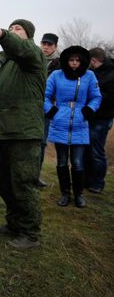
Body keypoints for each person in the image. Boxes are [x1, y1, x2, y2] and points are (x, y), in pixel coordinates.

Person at [0, 19, 46, 250]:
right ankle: (13, 224)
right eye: (11, 28)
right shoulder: (8, 62)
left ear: (28, 35)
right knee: (4, 182)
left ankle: (30, 234)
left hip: (24, 132)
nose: (12, 31)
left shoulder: (33, 55)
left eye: (17, 28)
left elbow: (23, 49)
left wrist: (2, 35)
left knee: (23, 183)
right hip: (5, 131)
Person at [45, 46, 101, 207]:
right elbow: (45, 96)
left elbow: (96, 97)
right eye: (71, 60)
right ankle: (65, 194)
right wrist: (52, 111)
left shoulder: (89, 76)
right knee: (62, 162)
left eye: (77, 60)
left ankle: (79, 195)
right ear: (66, 61)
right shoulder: (56, 75)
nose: (74, 63)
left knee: (77, 162)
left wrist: (88, 110)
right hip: (60, 122)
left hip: (80, 124)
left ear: (82, 61)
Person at [85, 47, 114, 194]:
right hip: (91, 117)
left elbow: (110, 98)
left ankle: (98, 183)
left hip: (102, 119)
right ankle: (88, 180)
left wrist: (94, 94)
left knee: (96, 151)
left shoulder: (111, 73)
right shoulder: (94, 72)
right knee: (88, 149)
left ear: (94, 60)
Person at [38, 33, 61, 188]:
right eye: (44, 44)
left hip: (46, 109)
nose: (46, 47)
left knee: (41, 143)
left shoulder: (60, 64)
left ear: (55, 47)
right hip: (30, 106)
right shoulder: (35, 57)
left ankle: (35, 175)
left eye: (49, 45)